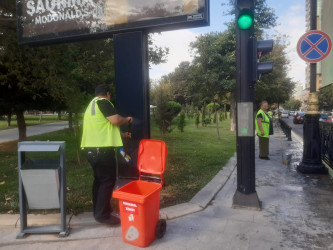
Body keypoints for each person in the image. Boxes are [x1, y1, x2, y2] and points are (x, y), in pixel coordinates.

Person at [81, 84, 133, 225]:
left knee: (99, 181)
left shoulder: (91, 105)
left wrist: (122, 134)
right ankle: (103, 215)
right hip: (102, 151)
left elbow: (102, 127)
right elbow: (116, 120)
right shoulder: (103, 102)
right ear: (107, 94)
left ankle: (99, 210)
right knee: (107, 181)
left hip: (91, 149)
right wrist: (127, 119)